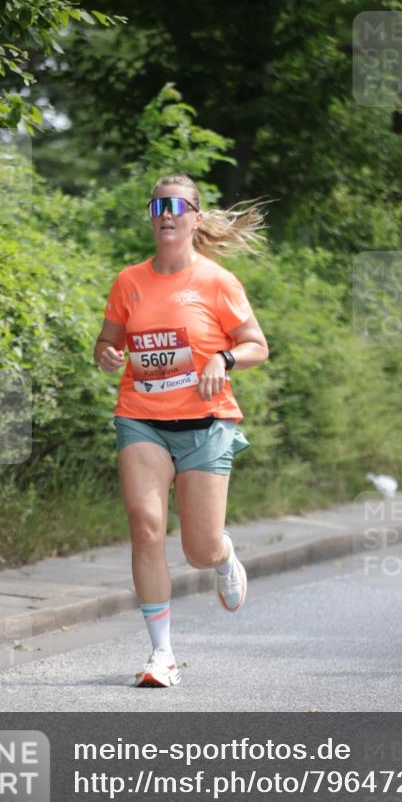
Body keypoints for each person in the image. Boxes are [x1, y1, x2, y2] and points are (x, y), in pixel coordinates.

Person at [94, 173, 270, 687]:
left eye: (175, 205)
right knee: (146, 527)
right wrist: (105, 353)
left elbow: (257, 344)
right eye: (157, 206)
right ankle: (161, 655)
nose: (165, 213)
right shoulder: (129, 281)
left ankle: (223, 551)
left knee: (198, 550)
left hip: (206, 423)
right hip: (141, 418)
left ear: (194, 216)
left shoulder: (217, 281)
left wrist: (224, 356)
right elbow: (107, 343)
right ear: (151, 217)